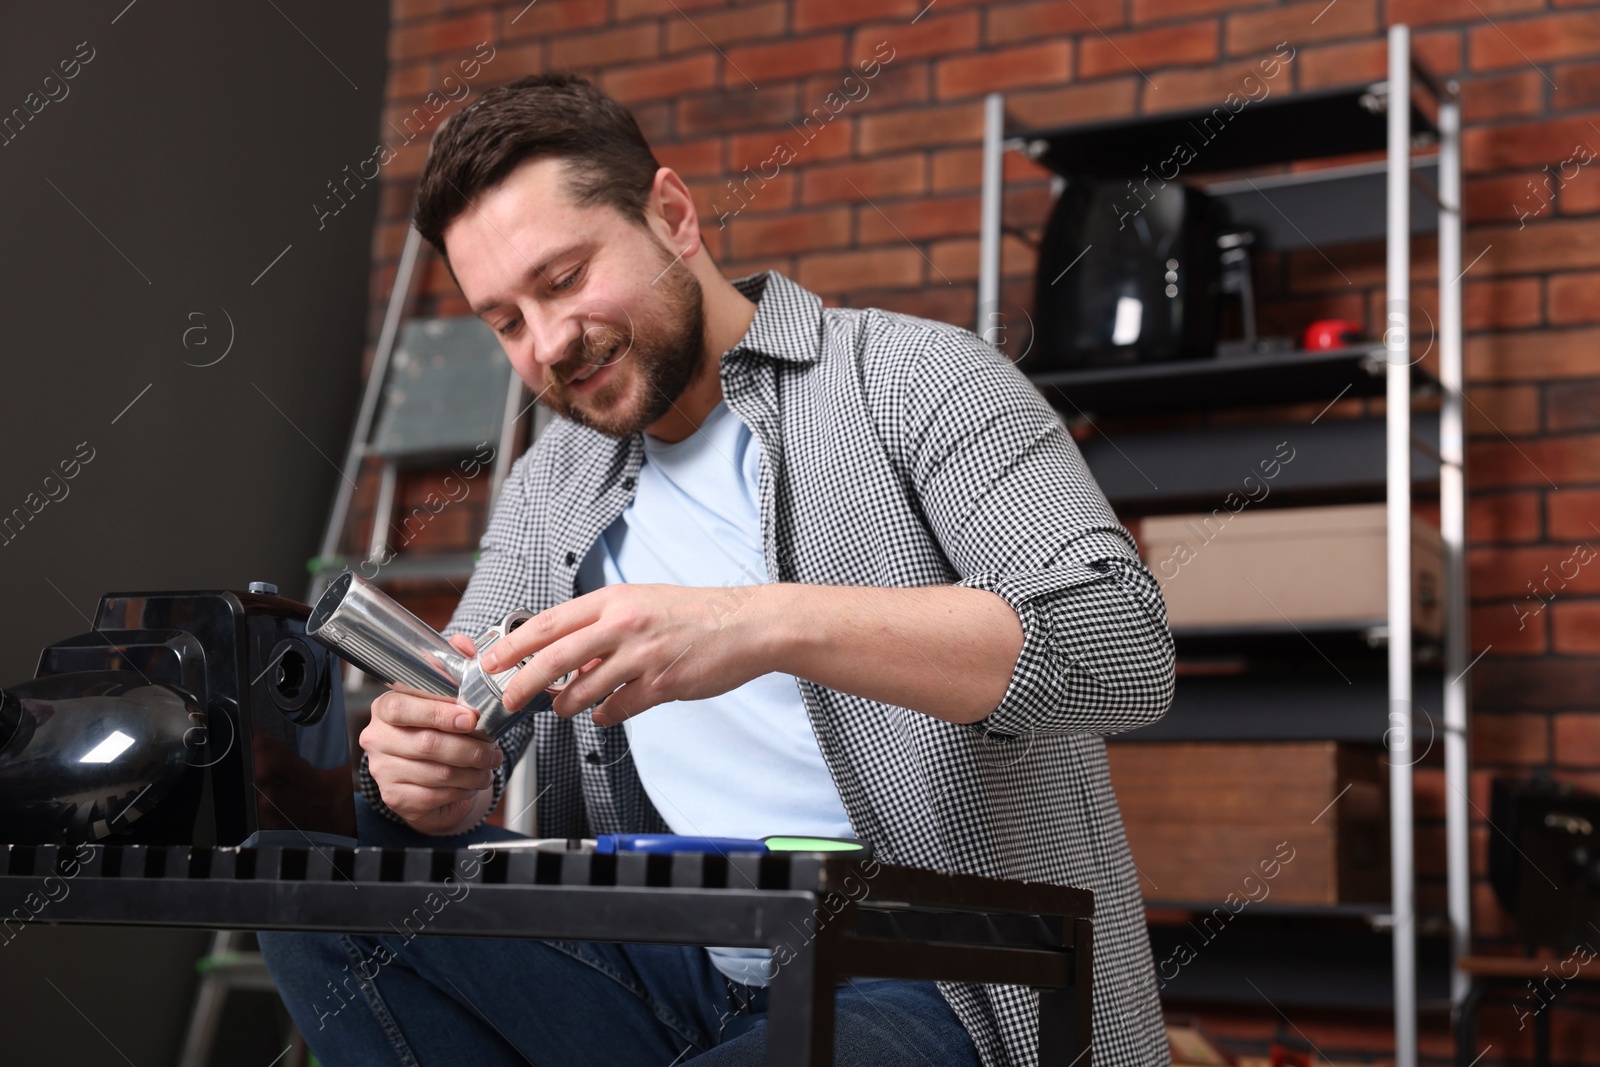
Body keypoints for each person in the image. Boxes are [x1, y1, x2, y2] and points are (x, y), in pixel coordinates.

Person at [258, 72, 1176, 1067]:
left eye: (563, 280)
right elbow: (467, 707)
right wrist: (423, 773)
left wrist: (753, 621)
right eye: (506, 321)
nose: (549, 344)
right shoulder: (548, 485)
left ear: (673, 215)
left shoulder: (915, 379)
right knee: (316, 902)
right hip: (668, 952)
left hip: (924, 965)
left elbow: (1121, 648)